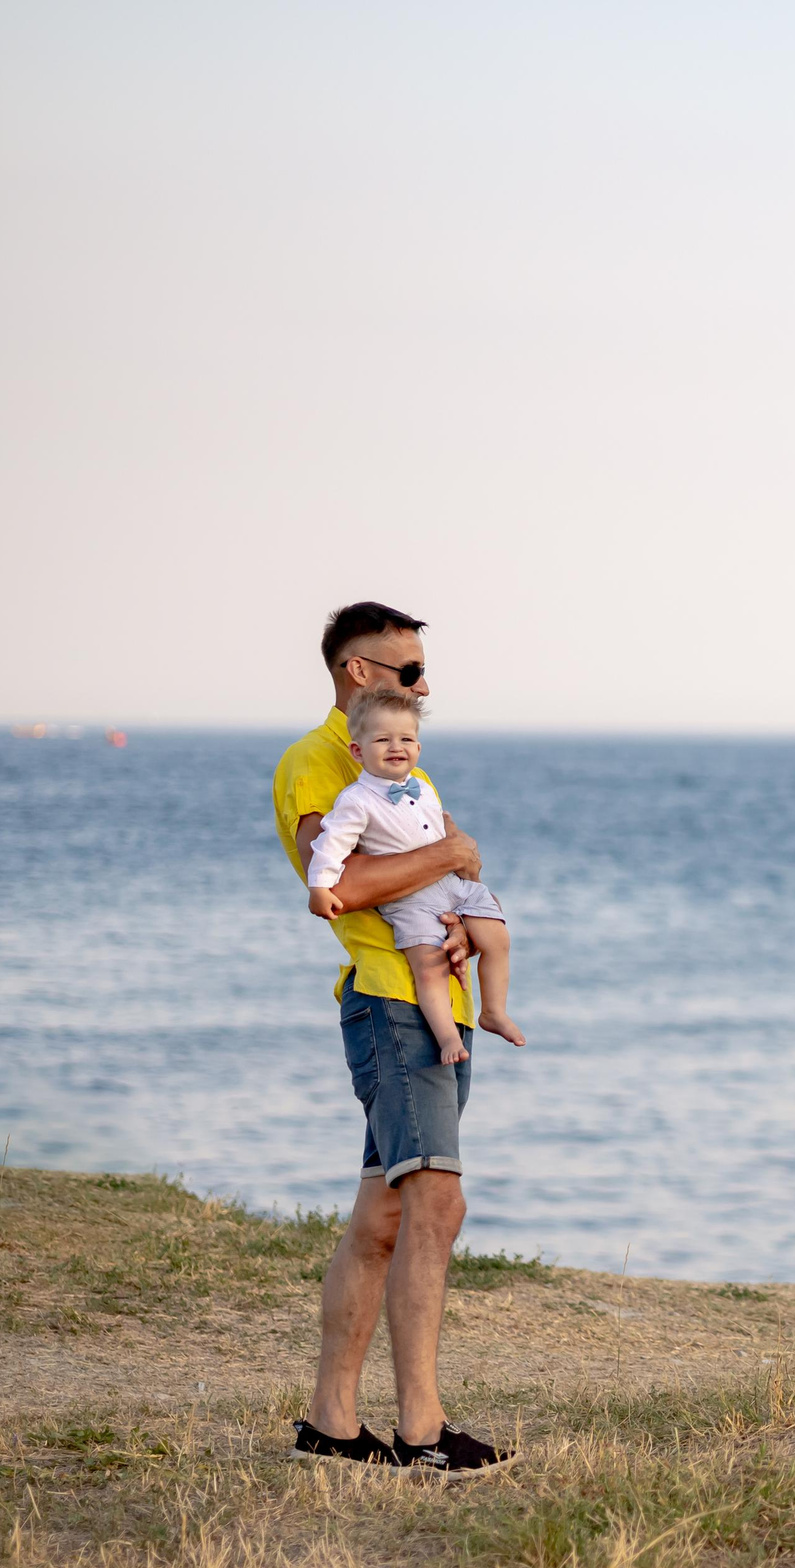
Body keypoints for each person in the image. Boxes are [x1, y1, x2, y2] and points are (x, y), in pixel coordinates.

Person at [272, 601, 515, 1477]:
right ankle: (423, 1429)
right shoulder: (314, 762)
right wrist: (451, 855)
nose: (422, 685)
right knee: (435, 1203)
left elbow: (428, 871)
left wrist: (455, 924)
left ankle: (331, 1421)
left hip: (428, 991)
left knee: (382, 1215)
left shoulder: (396, 760)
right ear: (357, 672)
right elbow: (343, 879)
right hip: (389, 1003)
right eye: (407, 671)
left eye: (424, 671)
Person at [305, 686, 524, 1065]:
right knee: (429, 965)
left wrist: (463, 872)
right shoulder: (356, 800)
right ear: (358, 751)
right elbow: (331, 843)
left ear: (418, 748)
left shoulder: (422, 787)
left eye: (406, 738)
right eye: (382, 739)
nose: (396, 746)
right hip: (408, 896)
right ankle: (447, 1037)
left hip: (451, 884)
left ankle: (493, 1011)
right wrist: (319, 886)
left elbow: (442, 834)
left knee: (498, 937)